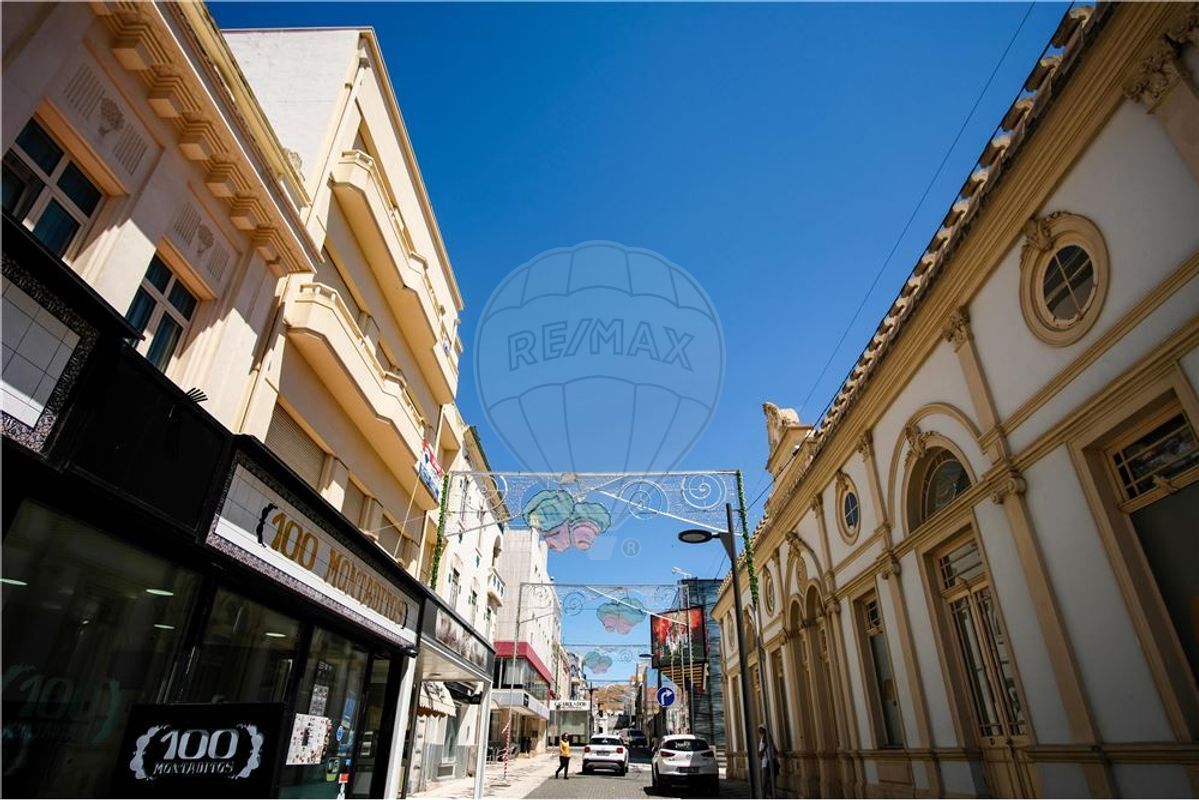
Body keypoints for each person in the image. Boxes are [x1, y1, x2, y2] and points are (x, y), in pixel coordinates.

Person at [758, 725, 778, 798]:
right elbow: (760, 754)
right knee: (766, 781)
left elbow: (774, 751)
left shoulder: (767, 739)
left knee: (769, 781)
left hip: (769, 762)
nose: (759, 732)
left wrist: (762, 751)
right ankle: (766, 795)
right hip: (766, 762)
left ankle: (769, 795)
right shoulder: (762, 740)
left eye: (760, 730)